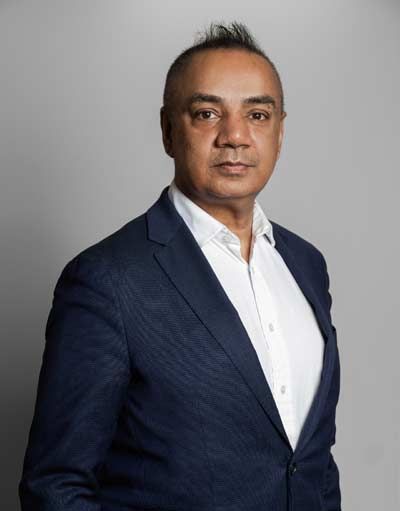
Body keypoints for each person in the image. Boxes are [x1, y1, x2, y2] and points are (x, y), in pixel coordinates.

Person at [19, 21, 341, 511]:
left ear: (279, 131)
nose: (235, 136)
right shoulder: (106, 280)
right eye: (207, 113)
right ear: (169, 130)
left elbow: (310, 462)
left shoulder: (306, 265)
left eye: (257, 114)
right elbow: (56, 487)